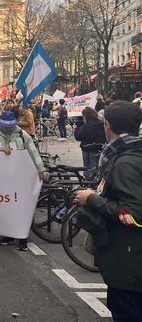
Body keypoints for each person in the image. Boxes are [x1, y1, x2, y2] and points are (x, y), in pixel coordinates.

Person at [74, 101, 142, 321]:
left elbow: (133, 215)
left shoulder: (124, 163)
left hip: (128, 263)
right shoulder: (132, 154)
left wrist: (92, 199)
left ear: (108, 125)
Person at [0, 111, 46, 251]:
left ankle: (22, 239)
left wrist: (41, 170)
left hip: (20, 178)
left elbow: (33, 152)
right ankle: (9, 235)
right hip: (2, 179)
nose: (8, 129)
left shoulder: (22, 135)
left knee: (21, 208)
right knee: (6, 208)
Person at [74, 107, 105, 179]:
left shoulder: (86, 126)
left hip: (87, 148)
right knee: (97, 165)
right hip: (99, 148)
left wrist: (77, 128)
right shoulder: (102, 124)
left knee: (88, 167)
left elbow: (78, 137)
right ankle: (96, 178)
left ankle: (89, 180)